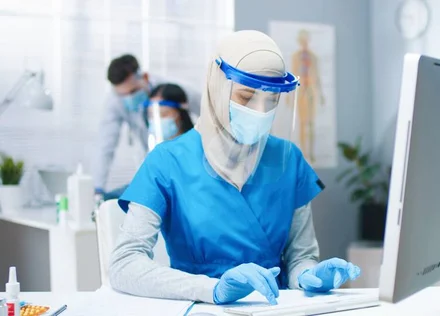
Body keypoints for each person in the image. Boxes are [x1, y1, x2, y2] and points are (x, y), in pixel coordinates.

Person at [108, 30, 361, 305]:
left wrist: (308, 275)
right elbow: (124, 264)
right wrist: (211, 289)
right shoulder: (166, 162)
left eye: (272, 100)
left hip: (275, 308)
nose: (260, 111)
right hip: (200, 306)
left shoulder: (289, 159)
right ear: (218, 86)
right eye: (246, 97)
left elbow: (300, 256)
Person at [93, 54, 200, 198]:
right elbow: (105, 146)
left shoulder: (173, 91)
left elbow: (212, 114)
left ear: (145, 77)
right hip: (157, 169)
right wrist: (98, 189)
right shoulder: (115, 102)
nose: (129, 98)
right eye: (123, 95)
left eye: (133, 91)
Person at [290, 29, 325, 164]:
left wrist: (321, 94)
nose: (304, 42)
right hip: (301, 91)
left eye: (306, 39)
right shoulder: (295, 57)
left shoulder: (313, 57)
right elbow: (293, 75)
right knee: (303, 123)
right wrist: (290, 95)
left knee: (311, 123)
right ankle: (304, 153)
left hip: (311, 90)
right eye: (301, 39)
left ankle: (311, 152)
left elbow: (317, 76)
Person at [144, 83, 195, 150]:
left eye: (164, 114)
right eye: (151, 115)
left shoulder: (199, 148)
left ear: (181, 113)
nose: (155, 121)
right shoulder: (155, 152)